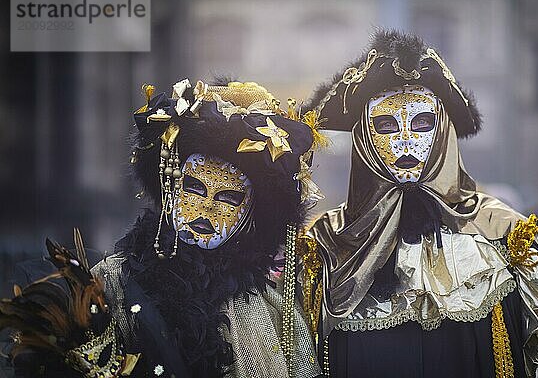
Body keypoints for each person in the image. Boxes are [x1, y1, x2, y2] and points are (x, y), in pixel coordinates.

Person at [297, 29, 538, 378]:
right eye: (386, 126)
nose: (406, 142)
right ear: (364, 138)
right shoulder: (324, 242)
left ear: (443, 133)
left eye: (423, 123)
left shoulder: (499, 231)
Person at [0, 78, 324, 378]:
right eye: (194, 188)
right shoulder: (114, 282)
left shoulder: (273, 305)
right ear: (171, 188)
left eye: (227, 197)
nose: (207, 208)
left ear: (251, 212)